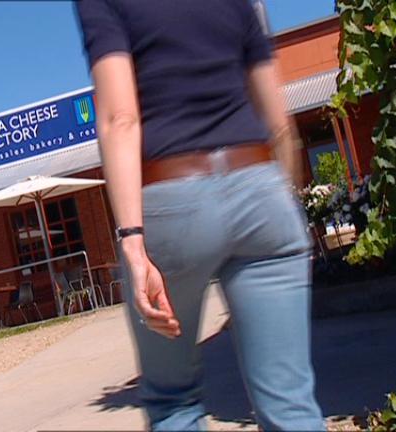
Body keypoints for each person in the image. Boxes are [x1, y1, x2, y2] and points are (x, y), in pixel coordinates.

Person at [76, 1, 324, 431]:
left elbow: (120, 118)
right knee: (291, 403)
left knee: (173, 401)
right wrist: (285, 205)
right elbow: (279, 122)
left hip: (173, 200)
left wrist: (132, 241)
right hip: (259, 187)